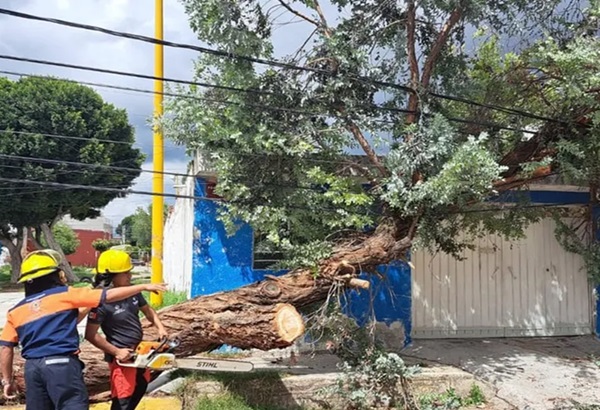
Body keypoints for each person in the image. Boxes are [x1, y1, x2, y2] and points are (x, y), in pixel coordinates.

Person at [0, 249, 167, 409]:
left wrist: (7, 381)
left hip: (32, 369)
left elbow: (5, 347)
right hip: (62, 364)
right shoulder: (65, 295)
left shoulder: (15, 311)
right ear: (56, 275)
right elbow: (106, 296)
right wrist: (143, 286)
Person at [85, 249, 168, 410]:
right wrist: (116, 351)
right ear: (112, 276)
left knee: (140, 387)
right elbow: (90, 334)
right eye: (125, 273)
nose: (130, 276)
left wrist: (160, 327)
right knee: (123, 400)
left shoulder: (133, 293)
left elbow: (147, 310)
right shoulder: (101, 301)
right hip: (122, 358)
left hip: (139, 353)